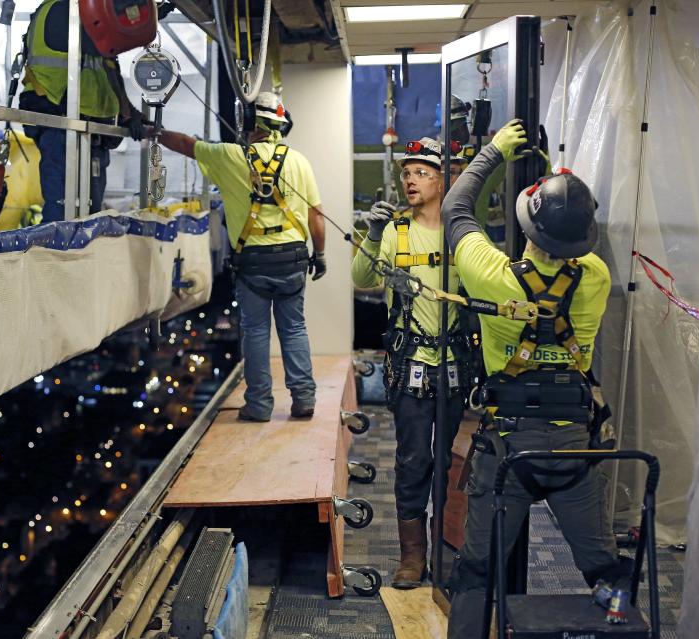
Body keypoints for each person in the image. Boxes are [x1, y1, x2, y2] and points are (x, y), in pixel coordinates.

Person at [443, 119, 630, 638]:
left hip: (508, 449)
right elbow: (573, 237)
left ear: (527, 228)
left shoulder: (491, 275)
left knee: (477, 568)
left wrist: (495, 151)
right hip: (573, 446)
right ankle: (621, 619)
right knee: (603, 566)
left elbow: (456, 209)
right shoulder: (594, 276)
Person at [151, 92, 326, 421]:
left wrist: (152, 133)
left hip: (253, 262)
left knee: (256, 331)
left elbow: (187, 145)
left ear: (249, 122)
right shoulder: (299, 161)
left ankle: (259, 406)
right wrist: (322, 254)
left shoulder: (230, 156)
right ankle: (304, 399)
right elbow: (317, 215)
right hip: (293, 258)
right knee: (294, 328)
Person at [351, 137, 467, 589]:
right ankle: (412, 556)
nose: (410, 180)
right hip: (412, 364)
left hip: (456, 362)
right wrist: (373, 234)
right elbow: (361, 280)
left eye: (422, 173)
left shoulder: (462, 233)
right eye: (407, 173)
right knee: (413, 460)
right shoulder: (396, 232)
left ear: (444, 180)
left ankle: (445, 547)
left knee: (448, 460)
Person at [19, 0, 144, 220]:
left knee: (91, 214)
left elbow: (108, 64)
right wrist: (132, 17)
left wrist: (128, 113)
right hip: (61, 123)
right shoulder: (62, 10)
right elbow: (103, 44)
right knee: (63, 214)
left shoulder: (89, 14)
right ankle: (56, 254)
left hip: (90, 129)